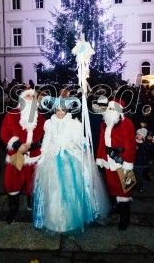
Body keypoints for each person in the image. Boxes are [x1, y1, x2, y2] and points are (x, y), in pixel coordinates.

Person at [33, 101, 109, 233]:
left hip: (70, 154)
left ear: (67, 110)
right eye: (57, 110)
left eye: (63, 110)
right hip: (53, 154)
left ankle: (71, 219)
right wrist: (43, 154)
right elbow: (47, 139)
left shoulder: (74, 124)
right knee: (53, 187)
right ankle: (55, 219)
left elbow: (77, 139)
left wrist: (83, 143)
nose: (60, 112)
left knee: (72, 187)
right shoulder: (50, 124)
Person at [0, 88, 46, 224]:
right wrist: (17, 144)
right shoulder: (12, 114)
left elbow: (46, 134)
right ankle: (13, 208)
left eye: (33, 97)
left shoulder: (41, 116)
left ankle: (31, 203)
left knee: (34, 182)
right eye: (28, 96)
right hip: (16, 155)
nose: (30, 99)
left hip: (34, 155)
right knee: (12, 182)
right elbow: (4, 133)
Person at [96, 98, 136, 230]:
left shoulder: (127, 123)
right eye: (110, 108)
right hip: (108, 160)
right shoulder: (104, 123)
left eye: (114, 109)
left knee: (124, 189)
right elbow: (102, 143)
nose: (111, 111)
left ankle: (125, 217)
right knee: (112, 186)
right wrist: (100, 158)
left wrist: (127, 163)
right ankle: (116, 208)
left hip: (122, 161)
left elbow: (130, 145)